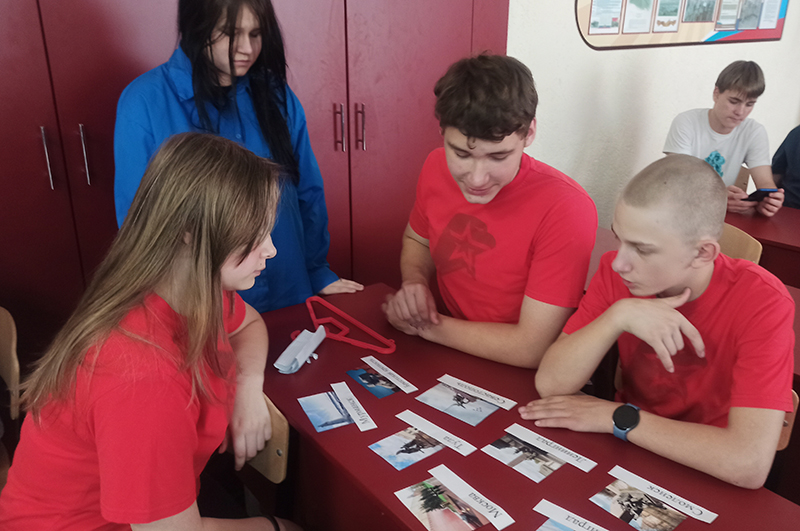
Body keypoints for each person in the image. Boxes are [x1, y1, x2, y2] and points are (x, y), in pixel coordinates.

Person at [0, 134, 299, 530]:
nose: (271, 249)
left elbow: (249, 325)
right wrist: (278, 527)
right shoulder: (143, 377)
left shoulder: (189, 289)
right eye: (255, 235)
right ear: (190, 230)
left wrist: (247, 385)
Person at [522, 155, 794, 489]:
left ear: (702, 253)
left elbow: (748, 464)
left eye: (642, 250)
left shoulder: (763, 301)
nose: (620, 263)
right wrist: (618, 315)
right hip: (632, 452)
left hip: (706, 468)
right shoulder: (616, 273)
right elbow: (550, 384)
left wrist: (615, 416)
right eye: (620, 239)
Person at [114, 0, 361, 313]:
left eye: (256, 34)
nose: (247, 48)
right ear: (197, 27)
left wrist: (317, 271)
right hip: (203, 305)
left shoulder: (277, 96)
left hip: (288, 285)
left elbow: (307, 193)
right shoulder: (145, 102)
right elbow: (140, 224)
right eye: (231, 34)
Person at [382, 55, 598, 368]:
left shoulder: (566, 207)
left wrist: (425, 326)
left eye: (498, 157)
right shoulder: (434, 165)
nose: (477, 179)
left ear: (529, 133)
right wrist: (415, 281)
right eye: (461, 154)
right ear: (442, 132)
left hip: (518, 368)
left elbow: (533, 349)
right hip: (452, 347)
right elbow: (418, 239)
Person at [663, 60, 783, 217]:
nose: (740, 112)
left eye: (749, 104)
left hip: (717, 216)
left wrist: (769, 201)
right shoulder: (686, 122)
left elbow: (765, 182)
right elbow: (679, 181)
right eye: (734, 102)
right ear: (716, 94)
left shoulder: (754, 131)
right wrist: (718, 196)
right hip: (676, 211)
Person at [772, 125, 800, 209]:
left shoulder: (796, 132)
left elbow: (776, 174)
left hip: (787, 206)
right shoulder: (797, 133)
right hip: (787, 206)